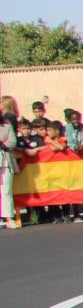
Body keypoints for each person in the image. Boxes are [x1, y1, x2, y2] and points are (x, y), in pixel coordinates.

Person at [0, 96, 17, 229]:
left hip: (5, 161)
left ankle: (9, 218)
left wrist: (2, 142)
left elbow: (12, 142)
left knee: (6, 191)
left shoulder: (7, 125)